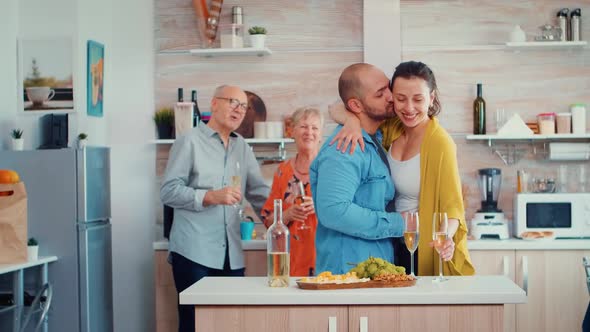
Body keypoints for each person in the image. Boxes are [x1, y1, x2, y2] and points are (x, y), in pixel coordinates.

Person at [330, 61, 475, 276]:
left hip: (418, 243)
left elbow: (453, 207)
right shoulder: (392, 127)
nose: (408, 108)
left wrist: (445, 237)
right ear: (391, 97)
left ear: (431, 98)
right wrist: (351, 121)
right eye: (400, 99)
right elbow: (336, 107)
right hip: (387, 240)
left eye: (418, 99)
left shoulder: (440, 143)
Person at [160, 85, 270, 332]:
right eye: (233, 102)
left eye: (243, 106)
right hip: (193, 252)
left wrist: (282, 217)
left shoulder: (242, 146)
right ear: (215, 104)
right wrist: (209, 196)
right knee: (195, 325)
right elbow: (168, 191)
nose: (239, 110)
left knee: (233, 324)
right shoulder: (188, 141)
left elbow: (259, 193)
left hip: (231, 255)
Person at [310, 63, 405, 275]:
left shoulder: (375, 140)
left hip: (372, 270)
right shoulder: (345, 147)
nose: (391, 97)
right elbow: (334, 211)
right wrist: (400, 223)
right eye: (380, 94)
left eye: (388, 88)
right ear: (356, 105)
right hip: (348, 273)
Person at [260, 107, 323, 277]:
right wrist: (287, 214)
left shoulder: (330, 169)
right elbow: (268, 219)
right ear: (292, 132)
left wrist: (319, 207)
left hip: (323, 257)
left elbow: (345, 211)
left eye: (314, 128)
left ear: (321, 135)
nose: (309, 132)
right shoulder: (283, 171)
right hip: (288, 259)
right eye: (303, 126)